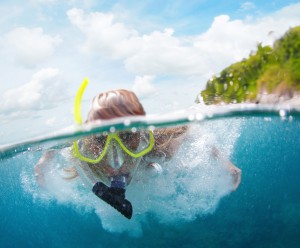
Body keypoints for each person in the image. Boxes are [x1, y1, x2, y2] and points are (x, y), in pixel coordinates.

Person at [35, 89, 241, 219]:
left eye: (127, 141)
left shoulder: (160, 145)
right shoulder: (84, 155)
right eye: (101, 144)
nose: (116, 164)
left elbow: (191, 130)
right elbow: (55, 144)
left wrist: (225, 162)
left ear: (141, 139)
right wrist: (43, 162)